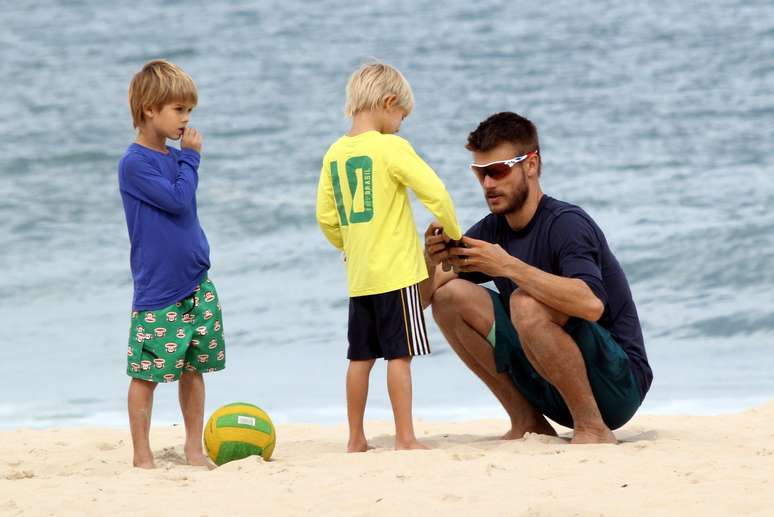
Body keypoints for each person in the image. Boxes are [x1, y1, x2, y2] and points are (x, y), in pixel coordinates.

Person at [422, 112, 652, 444]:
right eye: (480, 173)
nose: (488, 184)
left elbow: (590, 305)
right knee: (450, 298)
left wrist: (509, 267)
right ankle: (528, 422)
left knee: (525, 301)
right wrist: (431, 259)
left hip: (617, 384)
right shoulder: (491, 229)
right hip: (551, 383)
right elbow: (422, 301)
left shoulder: (567, 224)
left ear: (531, 165)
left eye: (498, 170)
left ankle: (592, 428)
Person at [316, 62, 462, 452]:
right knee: (400, 355)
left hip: (360, 278)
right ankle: (405, 437)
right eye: (402, 115)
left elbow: (326, 217)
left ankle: (355, 439)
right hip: (398, 276)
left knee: (359, 358)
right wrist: (454, 232)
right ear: (388, 102)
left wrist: (347, 247)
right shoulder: (391, 147)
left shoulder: (335, 153)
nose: (401, 123)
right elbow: (435, 191)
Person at [118, 60, 226, 468]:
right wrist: (192, 159)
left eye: (189, 111)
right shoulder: (135, 163)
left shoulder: (175, 157)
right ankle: (142, 455)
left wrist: (184, 160)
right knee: (146, 372)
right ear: (150, 109)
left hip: (196, 281)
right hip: (159, 290)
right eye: (179, 110)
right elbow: (178, 200)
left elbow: (185, 209)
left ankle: (193, 447)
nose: (186, 119)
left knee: (193, 368)